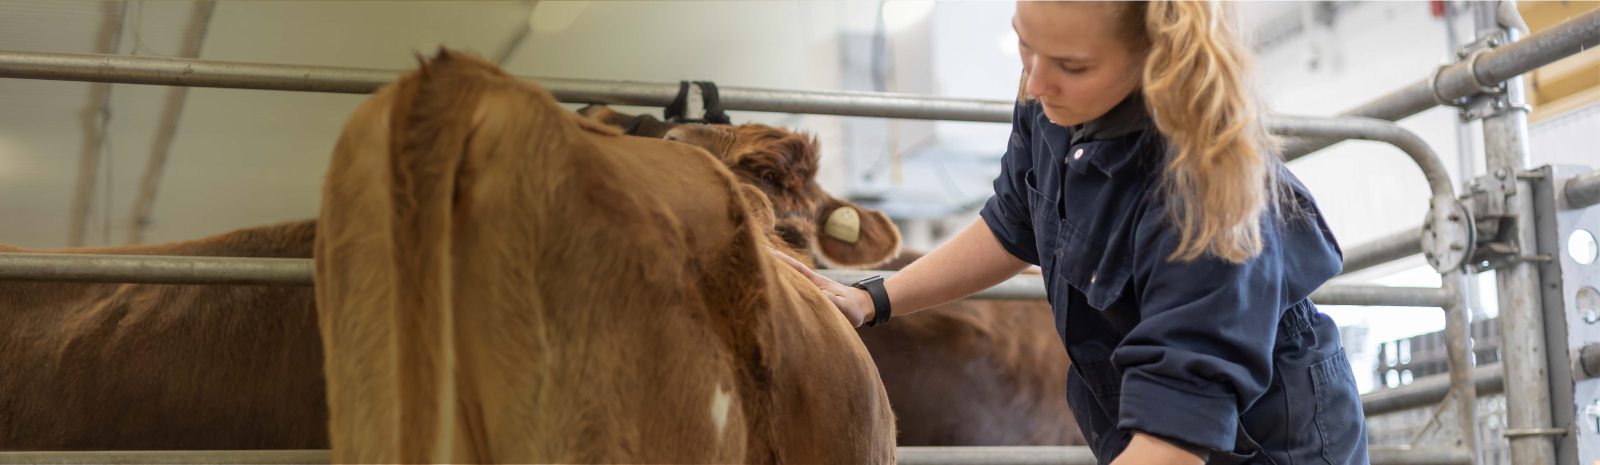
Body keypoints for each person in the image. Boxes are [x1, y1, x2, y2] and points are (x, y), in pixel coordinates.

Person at [771, 2, 1368, 464]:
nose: (1034, 83)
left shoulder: (1204, 194)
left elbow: (1176, 435)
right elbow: (1010, 226)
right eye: (1025, 48)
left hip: (1268, 444)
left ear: (1155, 57)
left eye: (1071, 66)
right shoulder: (1052, 105)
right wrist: (872, 297)